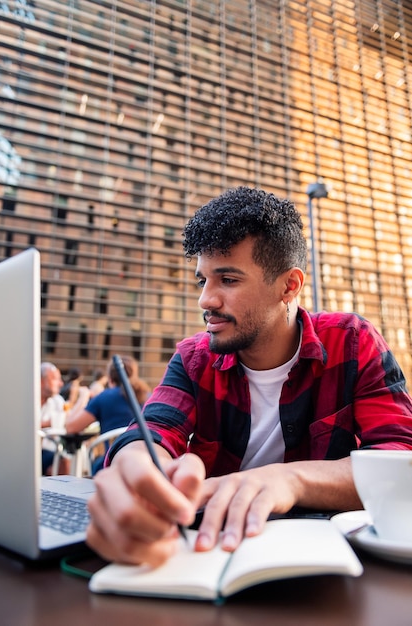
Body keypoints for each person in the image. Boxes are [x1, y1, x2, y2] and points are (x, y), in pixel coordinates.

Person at [86, 186, 412, 567]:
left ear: (289, 286)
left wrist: (291, 480)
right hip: (213, 552)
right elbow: (155, 431)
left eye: (227, 279)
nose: (205, 300)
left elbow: (401, 460)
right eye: (202, 281)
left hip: (332, 562)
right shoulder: (193, 357)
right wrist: (138, 467)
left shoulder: (352, 342)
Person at [66, 355, 150, 474]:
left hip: (111, 466)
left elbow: (71, 427)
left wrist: (83, 397)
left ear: (110, 379)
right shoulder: (149, 397)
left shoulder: (104, 397)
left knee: (95, 462)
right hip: (145, 465)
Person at [40, 361, 67, 475]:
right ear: (41, 381)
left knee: (64, 458)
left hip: (52, 451)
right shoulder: (25, 399)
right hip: (25, 452)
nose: (61, 383)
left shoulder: (57, 401)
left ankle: (62, 491)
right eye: (56, 379)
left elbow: (67, 421)